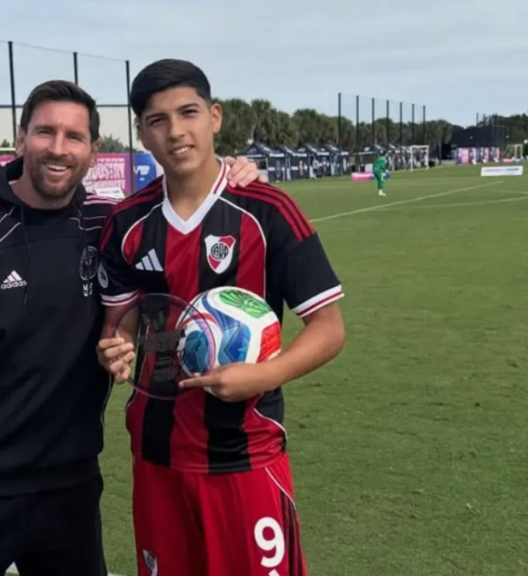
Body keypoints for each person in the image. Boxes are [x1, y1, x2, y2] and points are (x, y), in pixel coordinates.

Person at [0, 79, 265, 576]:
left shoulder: (108, 222)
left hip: (71, 486)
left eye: (74, 136)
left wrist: (234, 172)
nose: (58, 148)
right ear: (20, 140)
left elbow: (181, 225)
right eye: (45, 132)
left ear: (93, 151)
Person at [96, 59, 347, 576]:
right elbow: (119, 323)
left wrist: (266, 374)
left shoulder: (268, 210)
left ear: (215, 117)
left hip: (244, 455)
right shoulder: (126, 223)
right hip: (156, 454)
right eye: (157, 119)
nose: (176, 131)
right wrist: (115, 345)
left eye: (188, 112)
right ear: (142, 133)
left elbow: (329, 327)